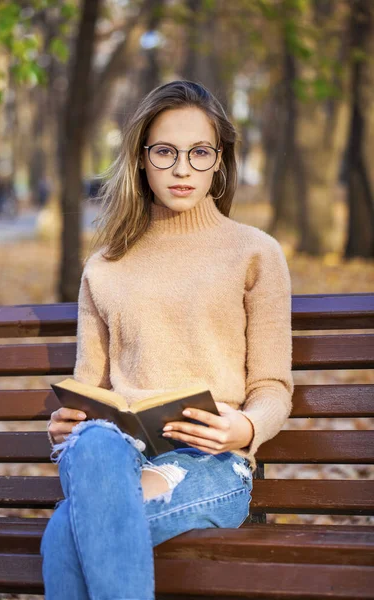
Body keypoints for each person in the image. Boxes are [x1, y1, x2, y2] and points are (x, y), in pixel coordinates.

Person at [41, 80, 294, 600]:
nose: (182, 169)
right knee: (90, 442)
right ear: (140, 159)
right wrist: (65, 423)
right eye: (165, 152)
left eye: (200, 152)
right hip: (117, 455)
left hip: (210, 463)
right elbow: (92, 387)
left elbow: (273, 386)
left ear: (219, 161)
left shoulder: (254, 253)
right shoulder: (105, 266)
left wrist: (244, 428)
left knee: (66, 533)